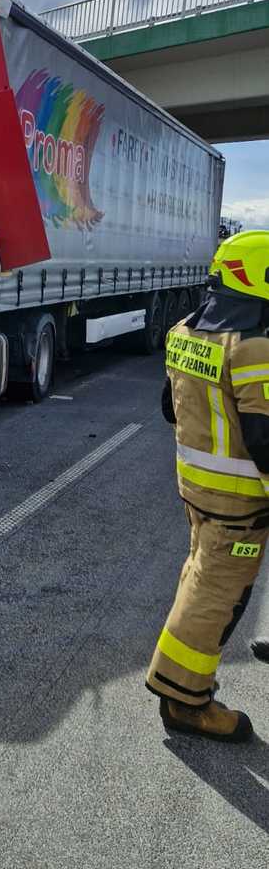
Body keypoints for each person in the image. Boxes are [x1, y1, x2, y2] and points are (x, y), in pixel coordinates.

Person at [146, 230, 269, 742]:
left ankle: (184, 684)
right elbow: (264, 440)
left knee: (199, 579)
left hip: (197, 491)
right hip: (239, 501)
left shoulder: (184, 331)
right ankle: (185, 700)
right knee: (217, 595)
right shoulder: (253, 347)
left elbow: (169, 408)